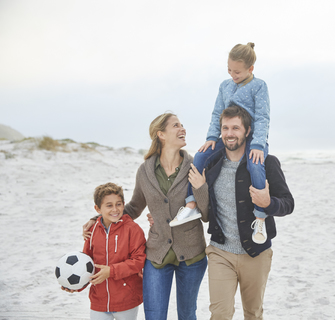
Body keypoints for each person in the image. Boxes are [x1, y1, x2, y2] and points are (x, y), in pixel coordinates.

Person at [83, 113, 209, 320]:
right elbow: (133, 208)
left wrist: (201, 187)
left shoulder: (195, 166)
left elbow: (206, 214)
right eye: (176, 125)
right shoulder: (145, 171)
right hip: (157, 253)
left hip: (192, 253)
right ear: (161, 134)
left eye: (183, 125)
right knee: (154, 315)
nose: (182, 129)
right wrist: (97, 219)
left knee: (187, 314)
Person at [196, 105, 294, 319]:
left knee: (253, 313)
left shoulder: (266, 162)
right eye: (225, 128)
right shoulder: (211, 163)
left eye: (235, 128)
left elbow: (288, 204)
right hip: (220, 252)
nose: (229, 134)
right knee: (220, 314)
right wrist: (199, 189)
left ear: (247, 131)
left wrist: (268, 203)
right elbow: (204, 212)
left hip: (256, 253)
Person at [174, 42, 271, 246]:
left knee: (255, 165)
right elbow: (218, 113)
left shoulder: (259, 86)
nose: (232, 74)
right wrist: (211, 137)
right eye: (229, 70)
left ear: (250, 69)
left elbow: (262, 117)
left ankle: (260, 217)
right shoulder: (224, 86)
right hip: (227, 136)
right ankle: (191, 204)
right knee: (200, 157)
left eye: (237, 71)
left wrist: (259, 145)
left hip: (251, 138)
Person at [63, 182, 147, 320]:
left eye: (119, 204)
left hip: (126, 300)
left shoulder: (133, 229)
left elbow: (139, 261)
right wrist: (76, 285)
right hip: (99, 300)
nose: (115, 209)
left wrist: (111, 271)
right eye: (109, 205)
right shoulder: (92, 230)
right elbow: (87, 264)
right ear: (97, 209)